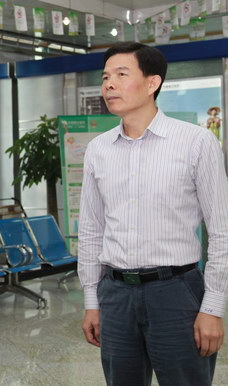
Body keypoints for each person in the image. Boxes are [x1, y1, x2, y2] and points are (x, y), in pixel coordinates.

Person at [78, 42, 228, 385]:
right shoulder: (98, 149)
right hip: (115, 294)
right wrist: (92, 301)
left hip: (176, 292)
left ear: (152, 83)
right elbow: (91, 230)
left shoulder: (195, 142)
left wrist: (212, 308)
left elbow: (222, 230)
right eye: (105, 77)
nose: (109, 84)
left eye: (121, 74)